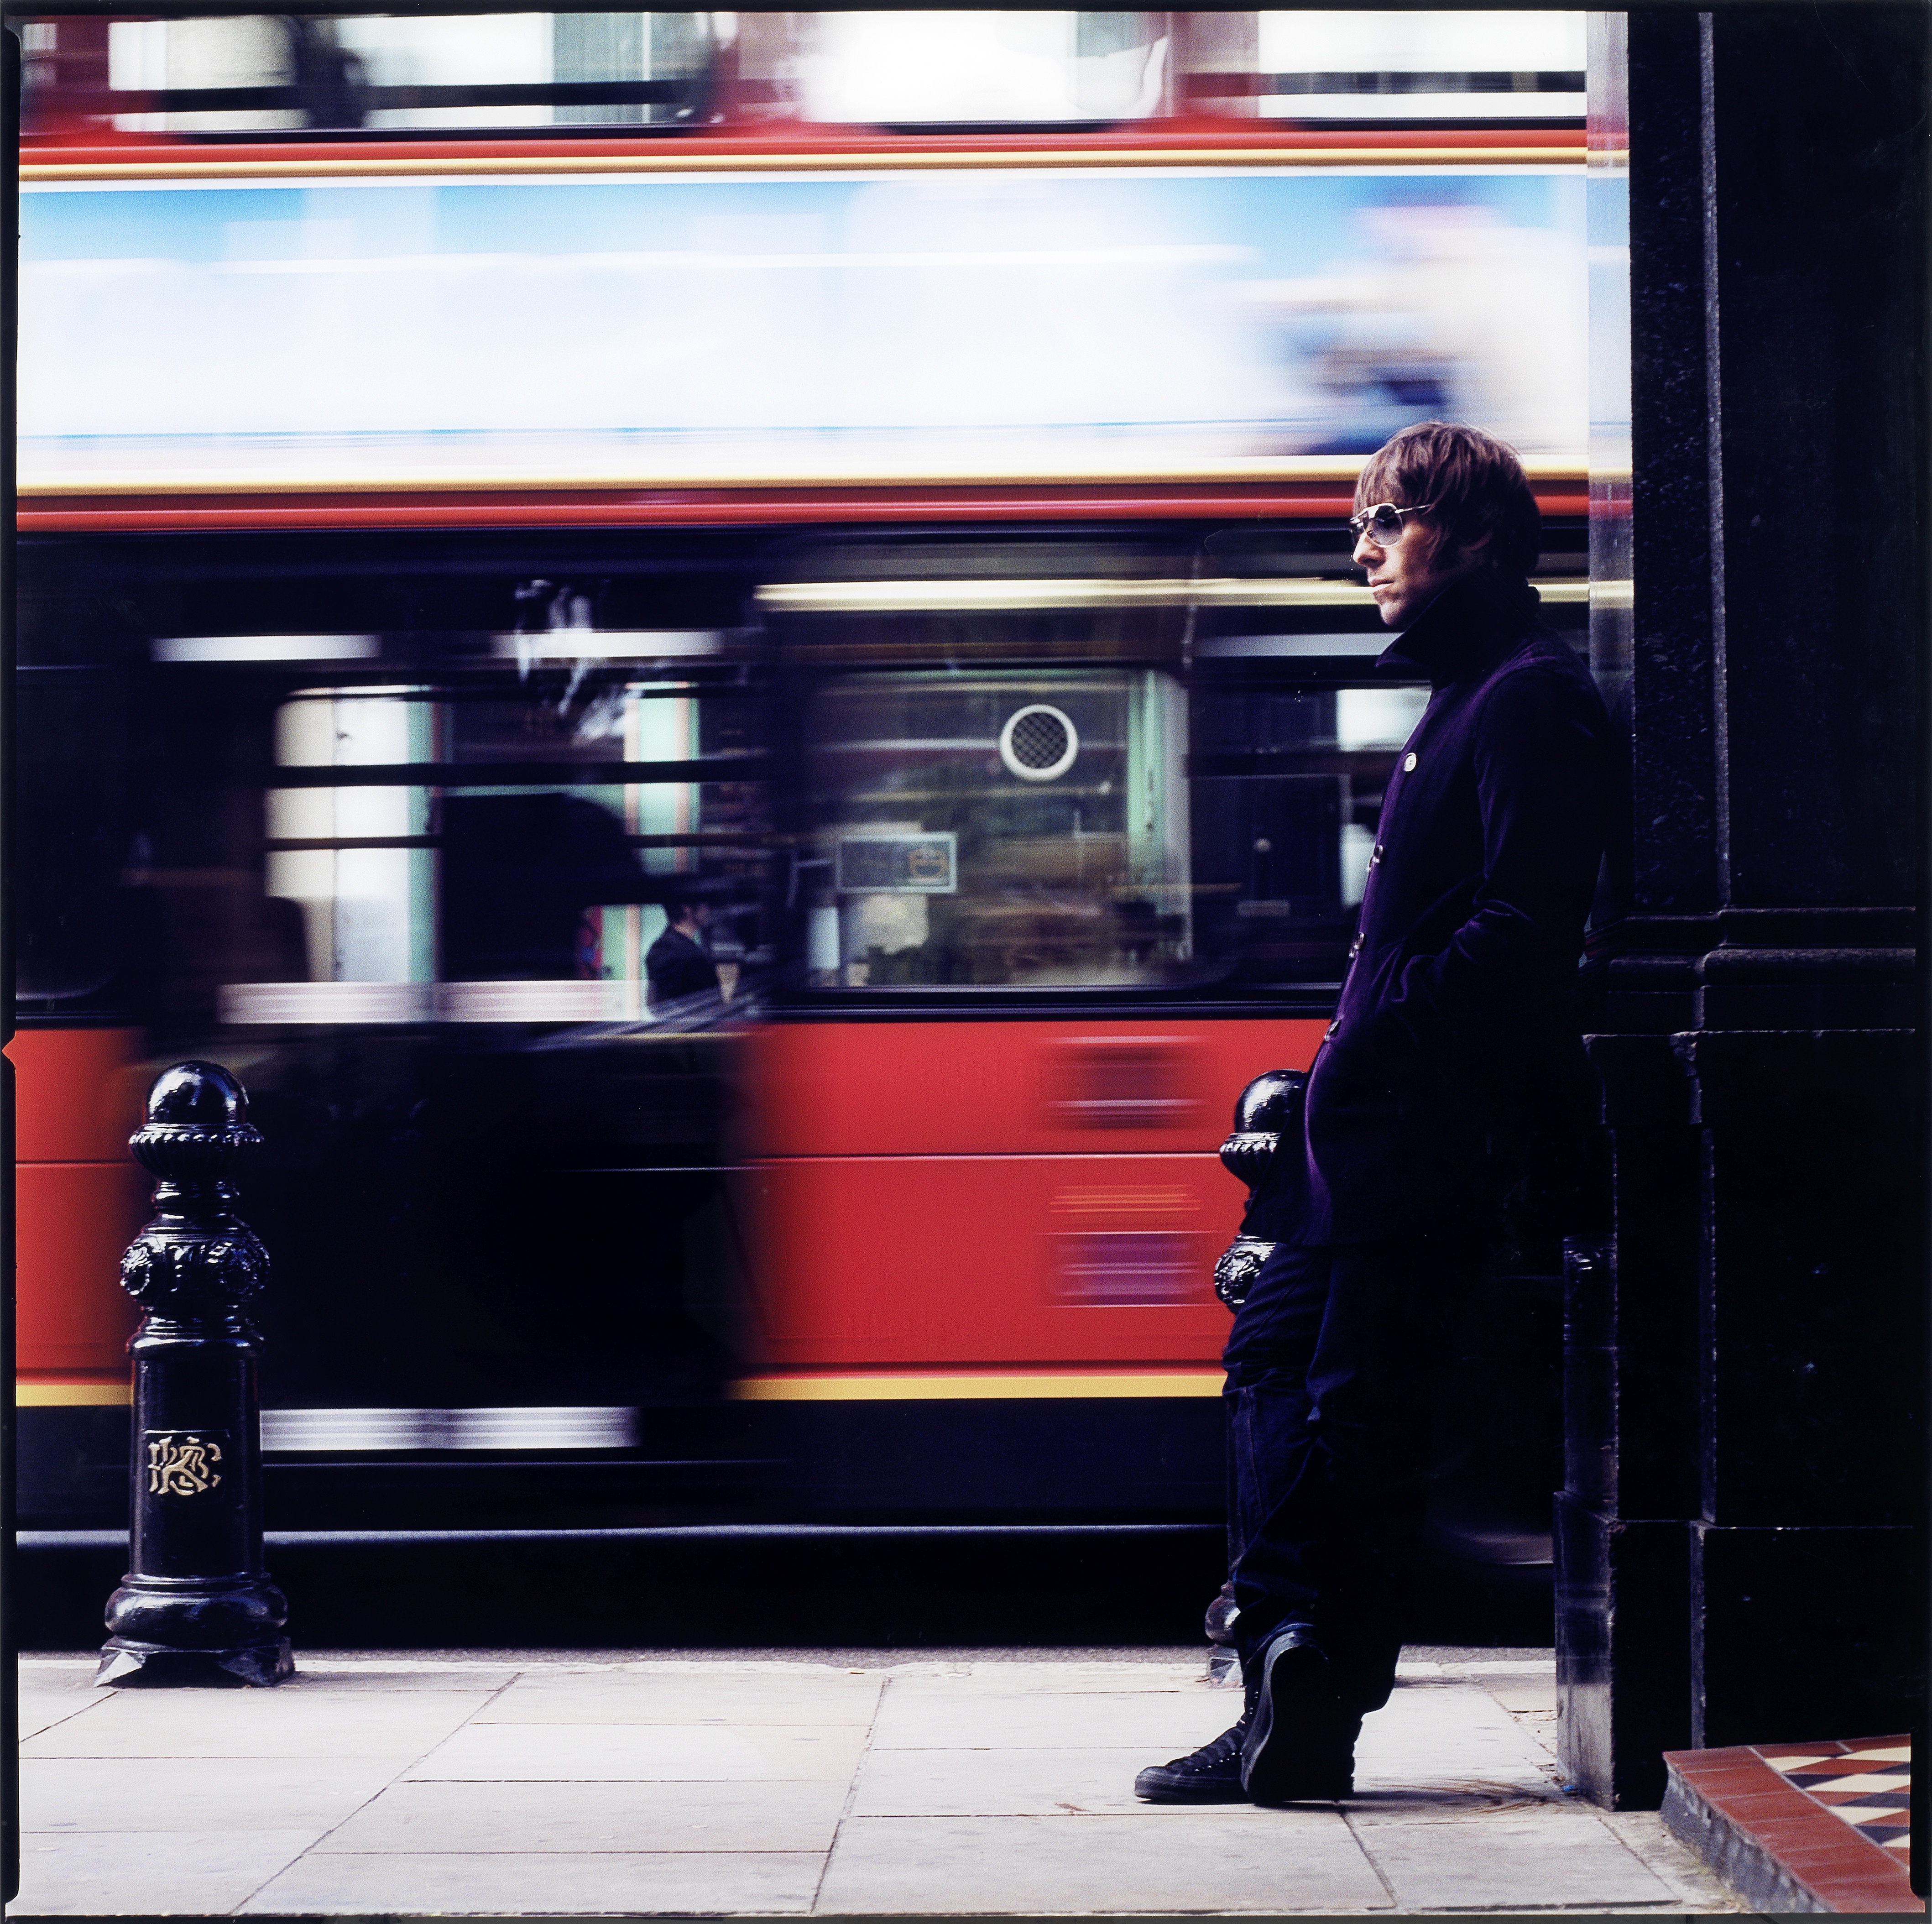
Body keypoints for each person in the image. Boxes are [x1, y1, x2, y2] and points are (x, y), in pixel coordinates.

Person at [1136, 421, 1610, 1805]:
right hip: (1356, 1132)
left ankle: (1307, 1708)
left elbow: (1526, 928)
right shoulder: (1460, 698)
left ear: (1467, 537)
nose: (1358, 553)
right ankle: (1279, 1646)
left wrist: (1380, 1047)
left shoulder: (1528, 698)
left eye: (1382, 523)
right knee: (1271, 1366)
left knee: (1361, 1419)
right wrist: (1314, 1081)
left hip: (1430, 1136)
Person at [645, 895, 721, 1009]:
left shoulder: (678, 946)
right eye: (704, 905)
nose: (708, 910)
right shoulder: (669, 949)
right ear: (687, 908)